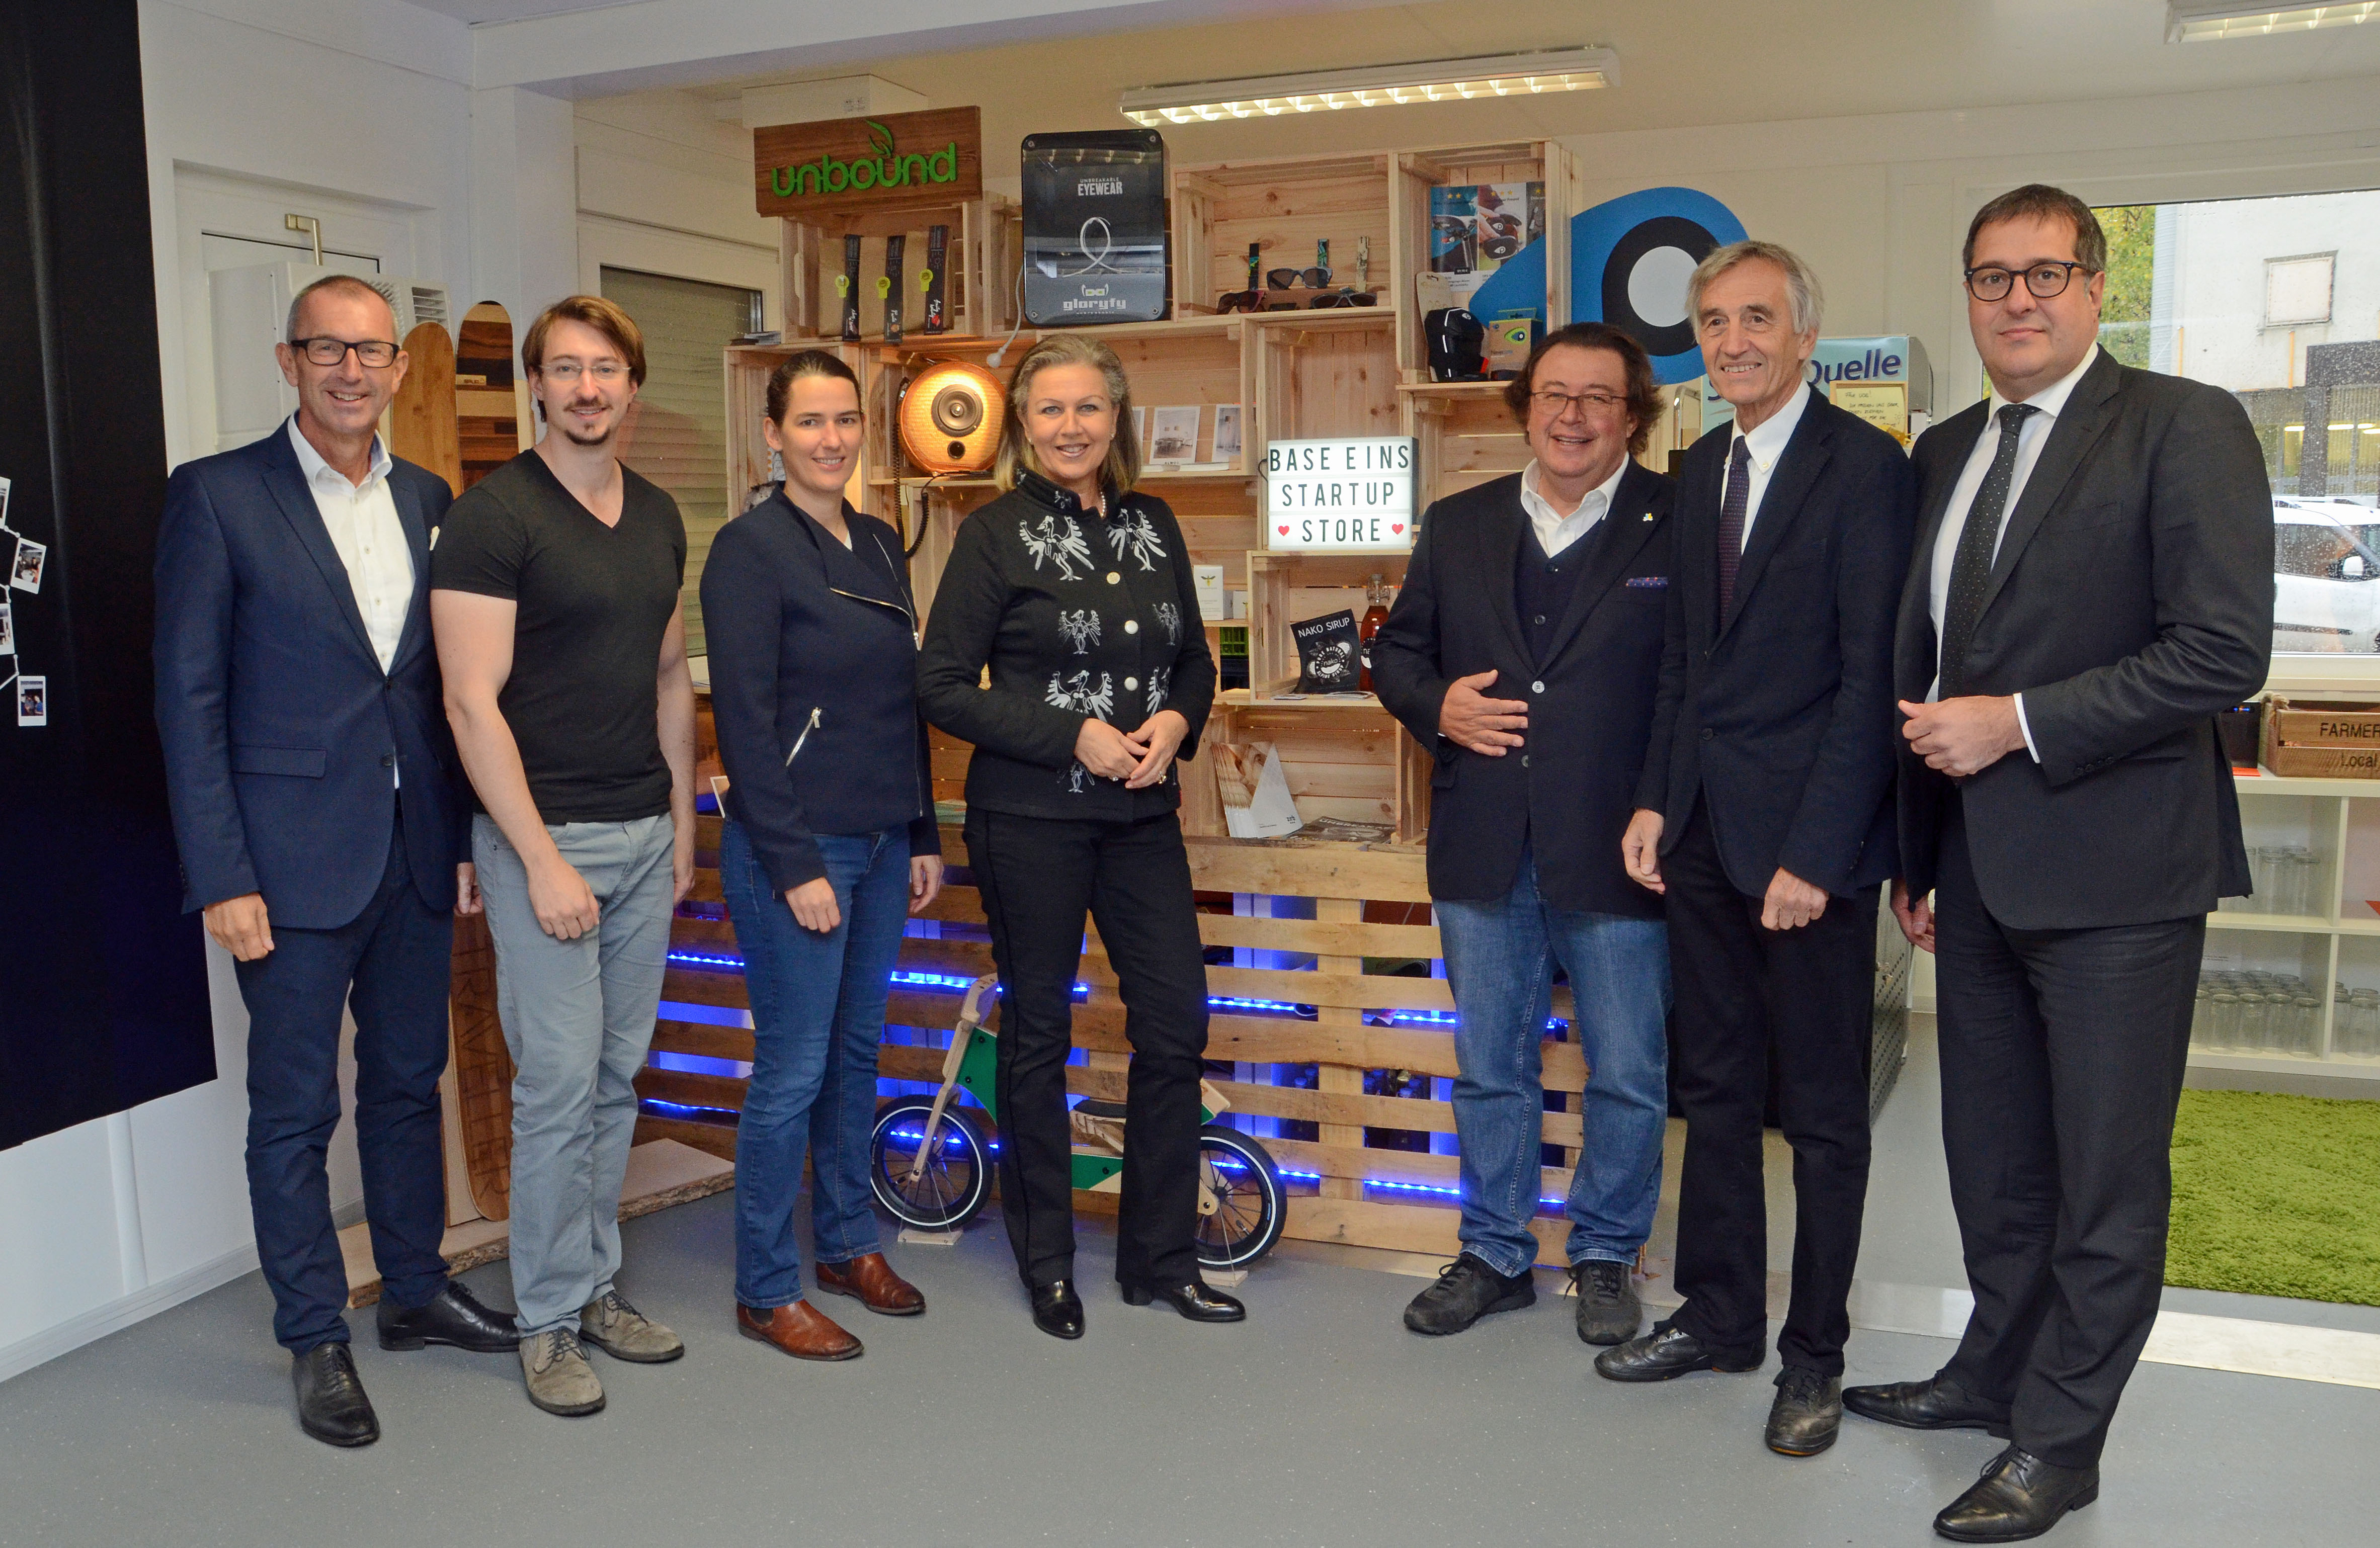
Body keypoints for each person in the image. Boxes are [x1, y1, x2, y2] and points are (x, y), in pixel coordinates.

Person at [1853, 186, 2271, 1543]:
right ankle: (1991, 1371)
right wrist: (1918, 852)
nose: (2017, 299)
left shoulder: (2181, 425)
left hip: (2119, 877)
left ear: (2095, 287)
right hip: (1973, 871)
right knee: (1993, 1164)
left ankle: (2061, 1440)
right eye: (1991, 276)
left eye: (2045, 273)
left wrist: (2018, 723)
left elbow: (2219, 653)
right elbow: (1931, 663)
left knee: (2101, 1178)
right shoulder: (1945, 450)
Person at [153, 274, 516, 1448]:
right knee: (295, 1109)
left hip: (413, 854)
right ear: (289, 360)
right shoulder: (217, 496)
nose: (351, 371)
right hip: (284, 868)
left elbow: (435, 690)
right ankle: (315, 1334)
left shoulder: (429, 499)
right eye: (327, 349)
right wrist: (222, 876)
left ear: (398, 369)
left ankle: (412, 1294)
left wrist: (456, 839)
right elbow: (188, 703)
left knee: (408, 1085)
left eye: (370, 352)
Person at [1604, 240, 1915, 1458]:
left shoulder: (1865, 469)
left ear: (1802, 336)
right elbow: (1683, 666)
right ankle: (1719, 1317)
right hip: (1698, 839)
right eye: (1712, 322)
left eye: (1755, 319)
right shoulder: (1698, 470)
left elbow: (1869, 680)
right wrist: (1653, 801)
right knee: (1716, 1097)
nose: (1731, 341)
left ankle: (1813, 1358)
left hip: (1808, 852)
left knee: (1824, 1117)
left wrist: (1816, 854)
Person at [916, 333, 1228, 1340]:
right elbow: (939, 686)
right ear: (1021, 423)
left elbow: (1194, 659)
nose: (1070, 426)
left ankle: (1161, 1260)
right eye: (1049, 409)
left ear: (1116, 417)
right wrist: (1072, 735)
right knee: (1038, 1036)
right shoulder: (992, 535)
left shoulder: (1153, 521)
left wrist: (1177, 720)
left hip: (1141, 819)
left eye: (1088, 407)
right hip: (1030, 821)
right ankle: (1047, 1262)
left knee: (1175, 1025)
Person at [1371, 322, 1677, 1343]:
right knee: (1490, 1065)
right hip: (1484, 839)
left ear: (1632, 415)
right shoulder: (1457, 523)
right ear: (1525, 407)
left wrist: (1663, 802)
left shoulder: (1675, 523)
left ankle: (1605, 1254)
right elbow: (1397, 656)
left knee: (1627, 1072)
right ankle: (1494, 1253)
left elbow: (1694, 687)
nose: (1572, 416)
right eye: (1553, 394)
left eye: (1597, 397)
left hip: (1622, 846)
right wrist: (1438, 707)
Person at [432, 295, 696, 1417]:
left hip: (642, 834)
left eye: (607, 369)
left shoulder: (659, 514)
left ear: (632, 386)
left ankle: (592, 1288)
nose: (588, 388)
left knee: (611, 1081)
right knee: (553, 1090)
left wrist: (682, 824)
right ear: (536, 384)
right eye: (567, 368)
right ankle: (544, 1321)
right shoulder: (493, 518)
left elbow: (668, 675)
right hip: (546, 841)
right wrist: (539, 859)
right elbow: (468, 701)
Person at [702, 351, 944, 1361]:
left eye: (845, 420)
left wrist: (922, 831)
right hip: (795, 849)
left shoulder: (880, 541)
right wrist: (795, 863)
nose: (831, 439)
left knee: (854, 1054)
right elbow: (747, 724)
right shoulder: (747, 550)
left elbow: (902, 701)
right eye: (809, 422)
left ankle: (846, 1245)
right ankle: (765, 1288)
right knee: (793, 1068)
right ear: (773, 434)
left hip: (883, 840)